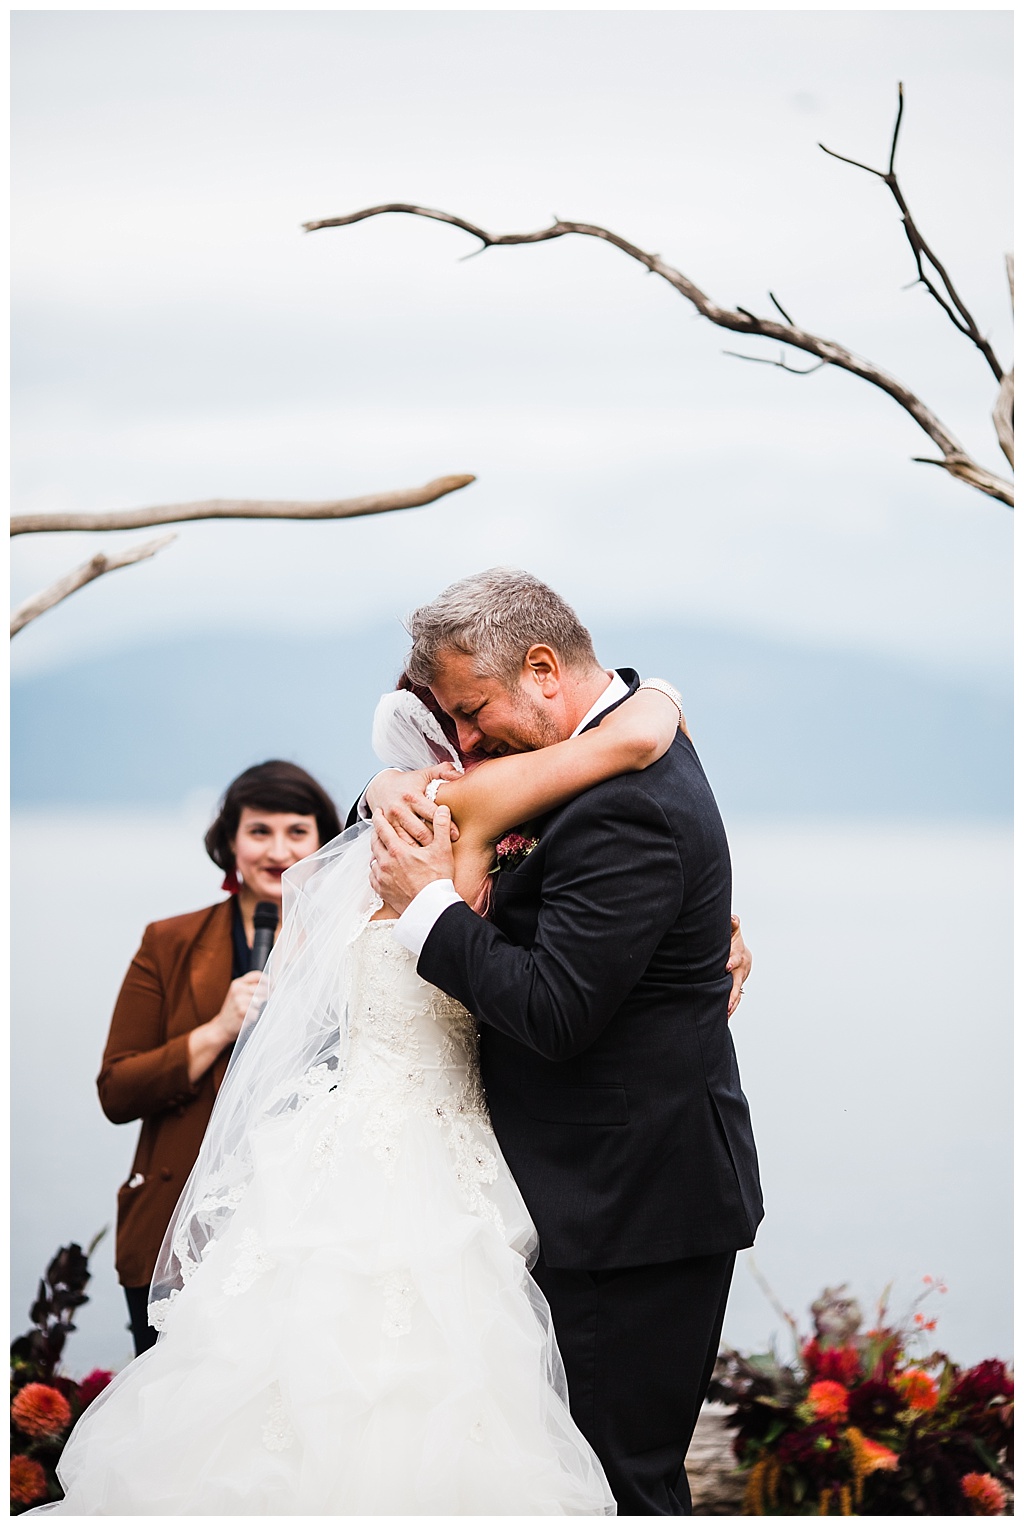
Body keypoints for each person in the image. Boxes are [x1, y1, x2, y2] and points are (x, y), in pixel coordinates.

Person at [33, 679, 688, 1515]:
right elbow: (620, 746)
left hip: (346, 1138)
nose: (489, 739)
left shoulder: (364, 847)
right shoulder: (461, 809)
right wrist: (659, 694)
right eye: (470, 723)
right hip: (434, 1153)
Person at [367, 568, 763, 1516]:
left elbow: (554, 1010)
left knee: (617, 1487)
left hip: (627, 1211)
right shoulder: (603, 753)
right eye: (448, 725)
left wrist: (423, 909)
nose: (464, 745)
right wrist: (388, 783)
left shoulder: (629, 805)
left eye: (474, 711)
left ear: (544, 669)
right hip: (567, 1196)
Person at [97, 760, 342, 1357]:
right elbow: (116, 1090)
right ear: (229, 842)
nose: (277, 849)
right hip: (176, 1234)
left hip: (309, 1230)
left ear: (323, 842)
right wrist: (216, 1030)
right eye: (259, 831)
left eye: (296, 831)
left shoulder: (351, 942)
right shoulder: (169, 942)